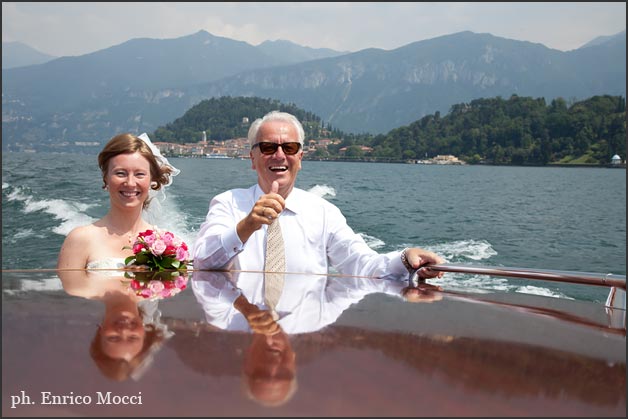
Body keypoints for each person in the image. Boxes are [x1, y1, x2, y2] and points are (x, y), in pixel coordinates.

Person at [193, 110, 445, 281]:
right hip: (244, 325)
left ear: (300, 158)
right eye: (268, 147)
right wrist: (247, 225)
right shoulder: (228, 203)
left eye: (289, 147)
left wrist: (405, 259)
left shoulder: (324, 213)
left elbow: (361, 264)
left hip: (301, 332)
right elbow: (203, 262)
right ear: (252, 158)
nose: (279, 155)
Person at [57, 132, 179, 270]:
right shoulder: (80, 239)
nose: (130, 183)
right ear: (106, 178)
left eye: (140, 174)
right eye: (120, 173)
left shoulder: (166, 243)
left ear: (151, 180)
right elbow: (69, 291)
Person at [59, 269, 173, 381]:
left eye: (113, 338)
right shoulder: (152, 297)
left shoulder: (80, 289)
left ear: (100, 332)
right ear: (144, 332)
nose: (124, 331)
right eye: (132, 338)